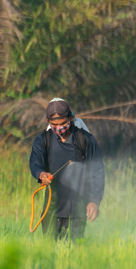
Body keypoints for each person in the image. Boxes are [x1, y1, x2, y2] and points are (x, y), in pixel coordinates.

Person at [28, 98, 105, 239]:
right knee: (49, 253)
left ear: (71, 118)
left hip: (78, 209)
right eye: (54, 125)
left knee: (75, 253)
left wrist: (95, 200)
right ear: (48, 122)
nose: (59, 128)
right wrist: (41, 174)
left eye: (63, 124)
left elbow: (97, 171)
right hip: (51, 209)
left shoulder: (86, 140)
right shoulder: (42, 140)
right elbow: (35, 162)